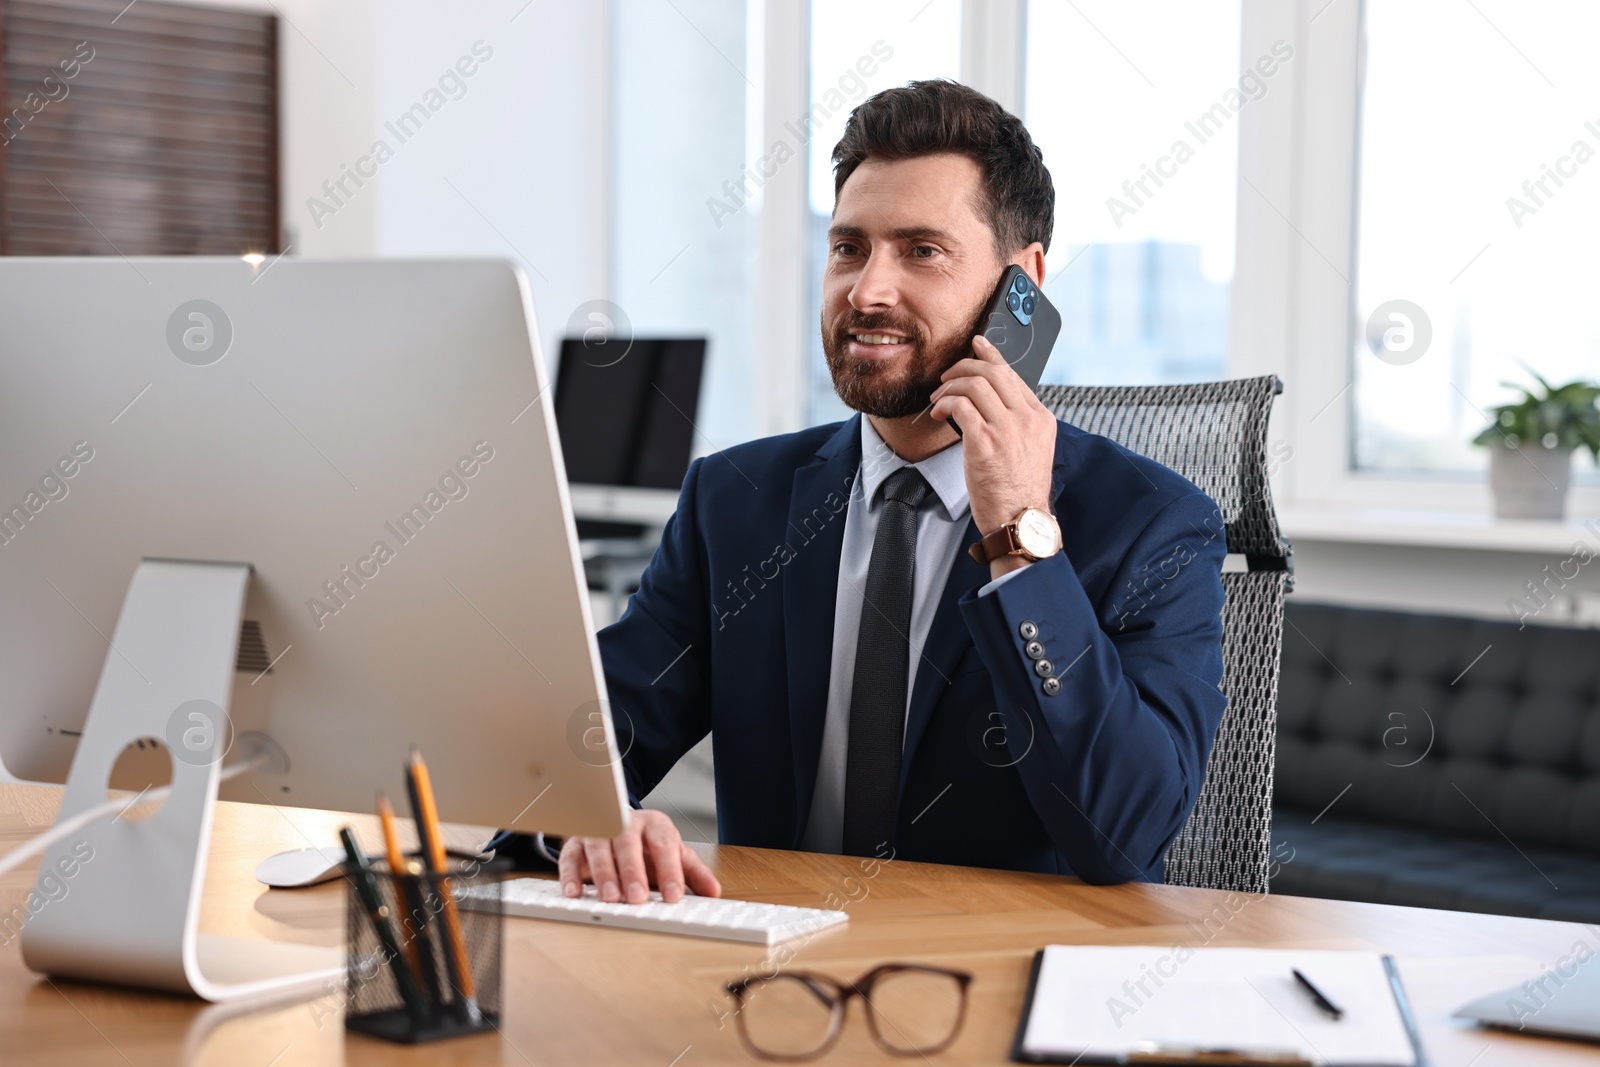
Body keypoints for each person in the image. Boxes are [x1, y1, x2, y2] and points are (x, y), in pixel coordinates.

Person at [556, 80, 1227, 905]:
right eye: (848, 248)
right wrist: (596, 814)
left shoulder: (1155, 525)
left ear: (1024, 285)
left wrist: (1018, 534)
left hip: (1000, 991)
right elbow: (581, 751)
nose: (867, 291)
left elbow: (1124, 834)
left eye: (921, 250)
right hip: (768, 991)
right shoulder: (733, 501)